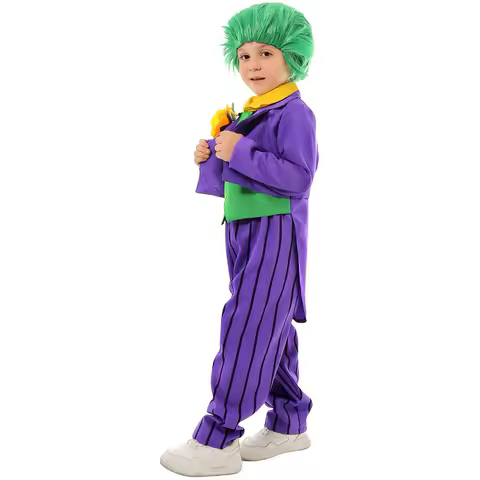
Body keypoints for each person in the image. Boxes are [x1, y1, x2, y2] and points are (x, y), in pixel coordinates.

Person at [160, 2, 318, 476]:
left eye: (266, 53)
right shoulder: (254, 111)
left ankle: (219, 436)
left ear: (292, 57)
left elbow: (298, 178)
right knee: (269, 325)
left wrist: (241, 149)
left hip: (274, 230)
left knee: (247, 325)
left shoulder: (294, 113)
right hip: (243, 229)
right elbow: (237, 177)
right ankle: (289, 422)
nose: (253, 65)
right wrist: (213, 155)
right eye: (245, 56)